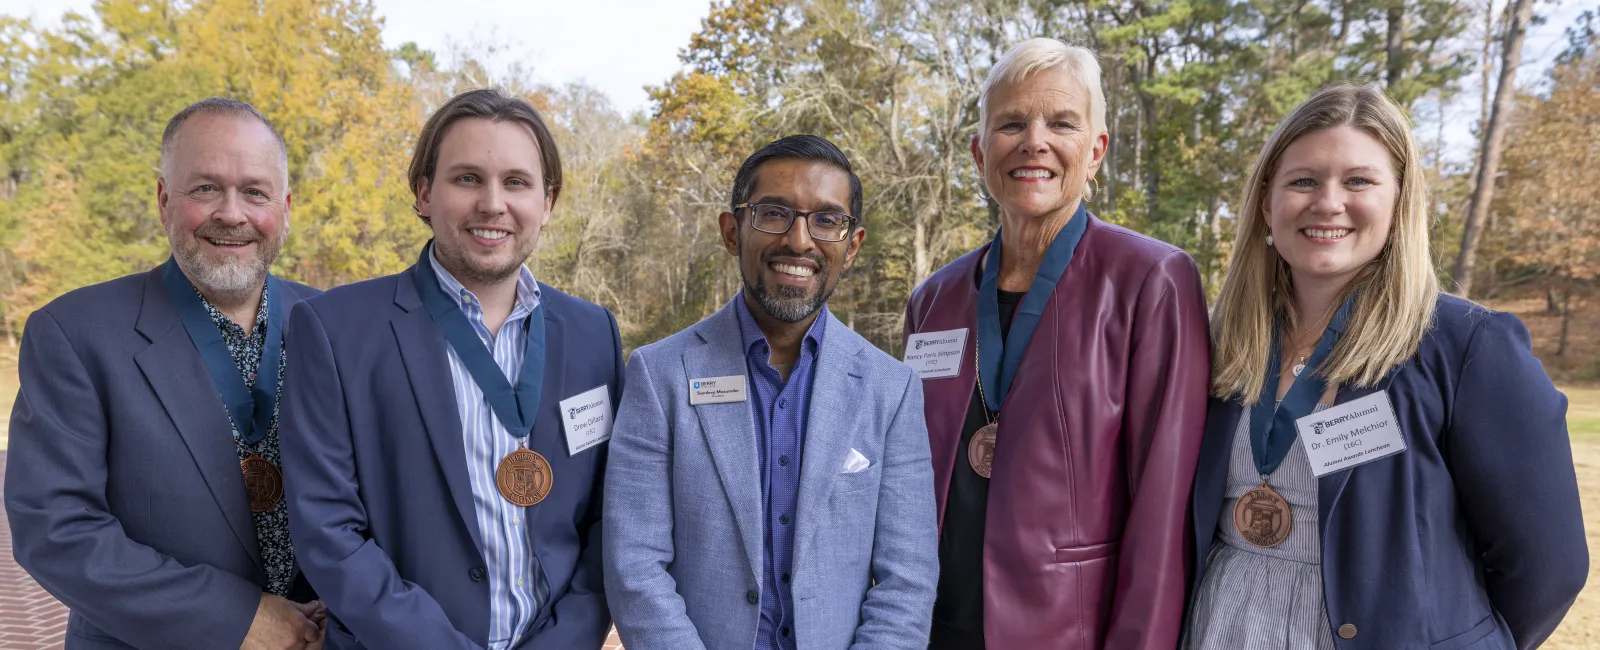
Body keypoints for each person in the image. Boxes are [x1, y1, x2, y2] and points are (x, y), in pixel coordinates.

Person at [1184, 83, 1587, 649]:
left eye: (1358, 181)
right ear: (1265, 204)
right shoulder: (1216, 338)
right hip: (1221, 627)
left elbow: (1548, 566)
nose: (1328, 202)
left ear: (1399, 204)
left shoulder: (1467, 347)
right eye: (1303, 180)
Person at [278, 88, 621, 649]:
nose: (492, 204)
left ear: (548, 200)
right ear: (423, 193)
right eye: (467, 179)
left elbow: (609, 523)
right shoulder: (334, 329)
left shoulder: (594, 335)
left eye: (516, 181)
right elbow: (328, 533)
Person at [902, 38, 1211, 649]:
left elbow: (1163, 507)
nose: (1033, 141)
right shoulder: (932, 300)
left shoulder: (1151, 281)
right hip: (930, 626)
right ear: (979, 152)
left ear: (1094, 152)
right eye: (1011, 123)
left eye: (1061, 123)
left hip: (1066, 631)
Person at [4, 98, 325, 649]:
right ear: (162, 199)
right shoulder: (75, 333)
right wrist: (237, 619)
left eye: (254, 191)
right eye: (205, 188)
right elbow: (57, 531)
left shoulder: (333, 324)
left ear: (285, 207)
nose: (232, 212)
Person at [603, 134, 938, 650]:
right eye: (774, 213)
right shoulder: (658, 375)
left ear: (852, 246)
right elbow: (635, 568)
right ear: (732, 231)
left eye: (827, 219)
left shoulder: (890, 391)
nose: (800, 241)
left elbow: (907, 582)